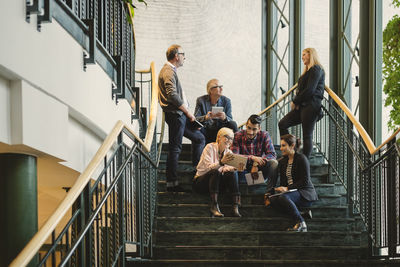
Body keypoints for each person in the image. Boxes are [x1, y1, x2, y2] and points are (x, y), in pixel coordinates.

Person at [158, 44, 205, 192]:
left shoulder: (171, 71)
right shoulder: (167, 71)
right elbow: (172, 95)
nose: (185, 57)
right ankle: (172, 184)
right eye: (183, 54)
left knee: (199, 138)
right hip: (177, 116)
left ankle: (198, 175)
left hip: (180, 116)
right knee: (175, 149)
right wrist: (188, 113)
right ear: (176, 56)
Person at [278, 47, 325, 158]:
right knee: (282, 123)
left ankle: (304, 163)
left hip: (311, 106)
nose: (302, 57)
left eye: (304, 54)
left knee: (307, 135)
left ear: (311, 55)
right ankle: (291, 151)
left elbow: (310, 90)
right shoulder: (307, 71)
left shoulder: (316, 69)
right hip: (302, 106)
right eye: (302, 54)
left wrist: (295, 101)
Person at [269, 134, 318, 232]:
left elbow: (305, 181)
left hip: (304, 193)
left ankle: (301, 222)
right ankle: (301, 213)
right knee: (273, 199)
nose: (281, 148)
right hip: (292, 193)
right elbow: (284, 182)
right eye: (281, 145)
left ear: (292, 146)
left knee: (283, 197)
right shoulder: (283, 162)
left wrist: (287, 189)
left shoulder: (302, 159)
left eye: (284, 145)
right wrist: (280, 189)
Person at [193, 128, 241, 217]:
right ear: (219, 137)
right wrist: (221, 163)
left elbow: (225, 169)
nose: (229, 140)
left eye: (231, 138)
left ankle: (235, 206)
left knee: (232, 173)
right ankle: (214, 205)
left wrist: (233, 168)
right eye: (226, 137)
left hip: (216, 183)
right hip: (201, 182)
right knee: (215, 171)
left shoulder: (229, 152)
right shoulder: (209, 147)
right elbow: (208, 168)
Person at [231, 114, 278, 193]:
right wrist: (252, 158)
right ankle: (236, 195)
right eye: (249, 128)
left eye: (254, 129)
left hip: (259, 170)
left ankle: (269, 193)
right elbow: (234, 156)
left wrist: (255, 164)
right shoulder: (237, 135)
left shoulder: (264, 135)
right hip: (243, 170)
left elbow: (272, 154)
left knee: (274, 163)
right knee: (234, 166)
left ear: (259, 128)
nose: (250, 132)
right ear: (246, 125)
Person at [194, 79, 238, 144]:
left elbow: (230, 119)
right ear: (211, 90)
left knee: (233, 124)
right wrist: (205, 117)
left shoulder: (226, 101)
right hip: (206, 129)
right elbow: (195, 119)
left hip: (220, 129)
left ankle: (235, 149)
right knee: (198, 129)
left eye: (221, 86)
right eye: (219, 87)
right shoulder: (201, 100)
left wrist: (225, 118)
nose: (221, 89)